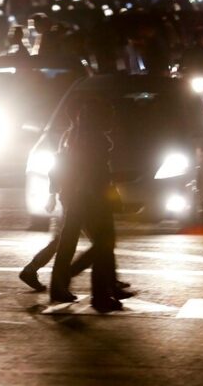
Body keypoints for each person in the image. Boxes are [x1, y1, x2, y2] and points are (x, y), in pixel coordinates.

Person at [48, 99, 123, 312]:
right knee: (102, 243)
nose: (113, 119)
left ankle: (62, 285)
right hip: (90, 198)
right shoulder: (94, 141)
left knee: (70, 242)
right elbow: (97, 174)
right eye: (109, 114)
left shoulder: (81, 138)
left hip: (78, 196)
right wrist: (108, 196)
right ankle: (98, 293)